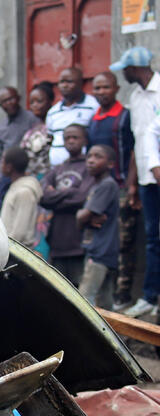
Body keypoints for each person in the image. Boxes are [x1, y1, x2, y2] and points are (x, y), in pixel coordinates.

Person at [112, 46, 160, 317]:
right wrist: (132, 183)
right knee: (153, 238)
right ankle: (150, 297)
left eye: (126, 69)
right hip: (146, 178)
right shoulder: (135, 97)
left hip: (157, 171)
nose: (124, 74)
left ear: (136, 68)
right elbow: (137, 144)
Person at [87, 71, 137, 309]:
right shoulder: (94, 118)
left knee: (123, 242)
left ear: (116, 89)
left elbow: (133, 151)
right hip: (101, 190)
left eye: (105, 87)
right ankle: (104, 296)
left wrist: (131, 185)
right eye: (97, 88)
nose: (101, 92)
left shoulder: (124, 116)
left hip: (120, 189)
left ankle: (121, 294)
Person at [41, 124, 94, 286]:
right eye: (67, 138)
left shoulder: (89, 167)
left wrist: (55, 196)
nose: (70, 141)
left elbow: (82, 198)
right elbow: (43, 197)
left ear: (85, 140)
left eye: (75, 137)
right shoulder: (58, 169)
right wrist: (70, 192)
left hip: (78, 242)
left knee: (80, 292)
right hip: (57, 241)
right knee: (58, 289)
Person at [77, 145, 121, 310]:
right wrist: (83, 216)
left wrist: (82, 216)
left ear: (110, 164)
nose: (91, 161)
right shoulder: (96, 186)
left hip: (100, 250)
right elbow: (83, 218)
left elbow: (82, 217)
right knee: (104, 302)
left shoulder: (107, 185)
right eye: (89, 156)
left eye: (98, 156)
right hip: (101, 250)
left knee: (84, 301)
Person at [46, 67, 99, 166]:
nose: (65, 85)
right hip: (57, 169)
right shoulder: (53, 112)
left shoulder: (93, 106)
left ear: (80, 84)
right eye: (62, 82)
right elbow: (50, 139)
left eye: (69, 82)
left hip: (84, 169)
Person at [0, 147, 44, 250]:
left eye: (2, 161)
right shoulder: (15, 187)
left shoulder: (24, 192)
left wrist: (7, 248)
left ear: (9, 167)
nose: (0, 164)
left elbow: (19, 232)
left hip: (19, 253)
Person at [21, 82, 55, 179]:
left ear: (50, 101)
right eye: (32, 102)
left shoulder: (52, 128)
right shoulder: (32, 130)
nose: (35, 105)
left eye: (39, 101)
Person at [0, 86, 39, 159]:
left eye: (11, 99)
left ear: (18, 98)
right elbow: (1, 154)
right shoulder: (0, 127)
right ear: (0, 105)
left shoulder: (33, 119)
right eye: (4, 101)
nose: (9, 103)